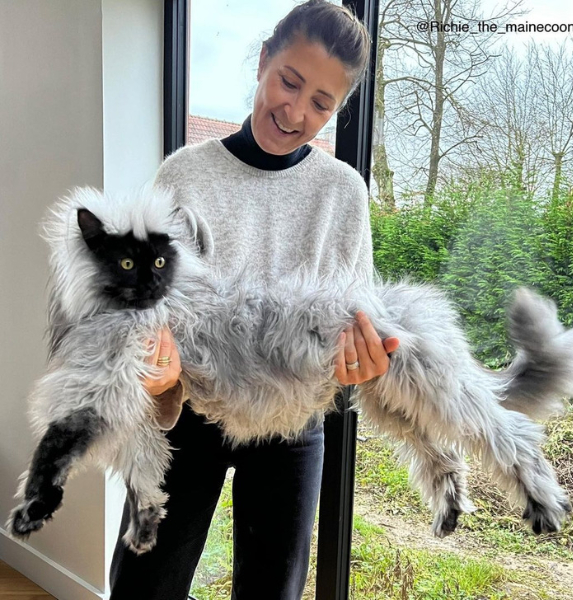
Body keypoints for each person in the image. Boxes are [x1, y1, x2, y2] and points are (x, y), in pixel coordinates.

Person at [109, 1, 399, 598]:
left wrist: (363, 363)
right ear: (264, 60)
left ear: (338, 109)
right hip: (191, 414)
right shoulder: (184, 175)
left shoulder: (343, 193)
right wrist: (153, 362)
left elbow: (356, 319)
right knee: (143, 584)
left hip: (293, 425)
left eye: (321, 103)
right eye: (289, 81)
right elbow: (147, 310)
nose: (295, 111)